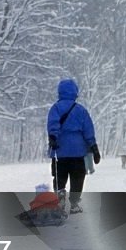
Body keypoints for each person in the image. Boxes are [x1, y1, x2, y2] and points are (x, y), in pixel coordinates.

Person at [47, 78, 100, 214]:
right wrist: (93, 147)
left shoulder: (56, 108)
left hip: (60, 150)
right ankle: (74, 204)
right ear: (75, 92)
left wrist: (53, 136)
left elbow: (53, 124)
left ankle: (60, 195)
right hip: (77, 152)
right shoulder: (81, 110)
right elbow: (88, 130)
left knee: (59, 176)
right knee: (78, 178)